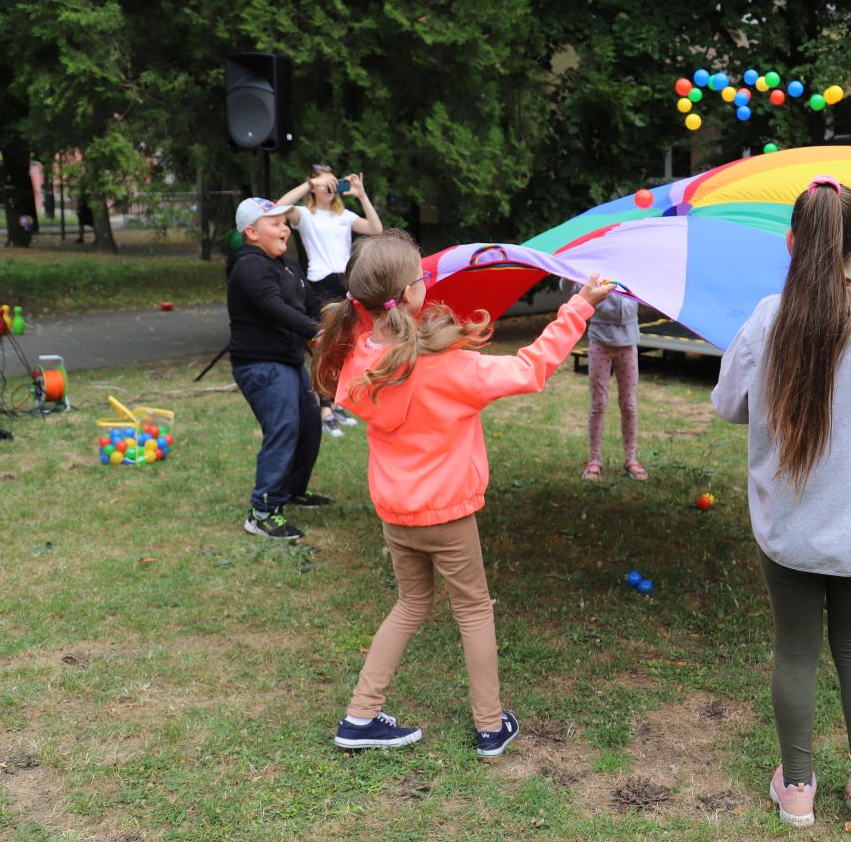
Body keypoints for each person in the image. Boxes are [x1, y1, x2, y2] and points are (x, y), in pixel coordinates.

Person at [312, 229, 613, 756]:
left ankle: (360, 716)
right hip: (447, 516)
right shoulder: (452, 367)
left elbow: (375, 346)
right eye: (422, 279)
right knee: (473, 610)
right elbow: (530, 369)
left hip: (397, 515)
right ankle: (490, 725)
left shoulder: (359, 360)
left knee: (411, 603)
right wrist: (578, 308)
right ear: (410, 294)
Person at [711, 176, 851, 834]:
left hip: (788, 529)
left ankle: (798, 790)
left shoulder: (766, 318)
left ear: (790, 243)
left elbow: (727, 404)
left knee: (796, 650)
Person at [225, 196, 330, 540]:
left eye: (286, 222)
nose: (285, 227)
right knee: (284, 427)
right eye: (275, 223)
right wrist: (313, 330)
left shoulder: (287, 264)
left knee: (310, 424)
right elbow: (273, 306)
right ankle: (263, 510)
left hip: (287, 361)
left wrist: (337, 313)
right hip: (261, 365)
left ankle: (291, 490)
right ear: (252, 233)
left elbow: (309, 299)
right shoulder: (250, 265)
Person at [276, 165, 385, 436]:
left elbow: (376, 228)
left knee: (345, 343)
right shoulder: (304, 215)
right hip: (319, 285)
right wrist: (309, 184)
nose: (329, 187)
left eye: (332, 182)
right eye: (323, 183)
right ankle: (325, 406)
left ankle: (335, 403)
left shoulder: (344, 215)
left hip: (345, 283)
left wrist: (361, 195)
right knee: (328, 342)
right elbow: (277, 207)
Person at [558, 277, 645, 481]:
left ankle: (631, 459)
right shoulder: (595, 270)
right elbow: (567, 287)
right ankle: (594, 461)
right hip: (600, 342)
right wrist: (569, 271)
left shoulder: (632, 267)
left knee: (629, 405)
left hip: (628, 343)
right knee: (598, 404)